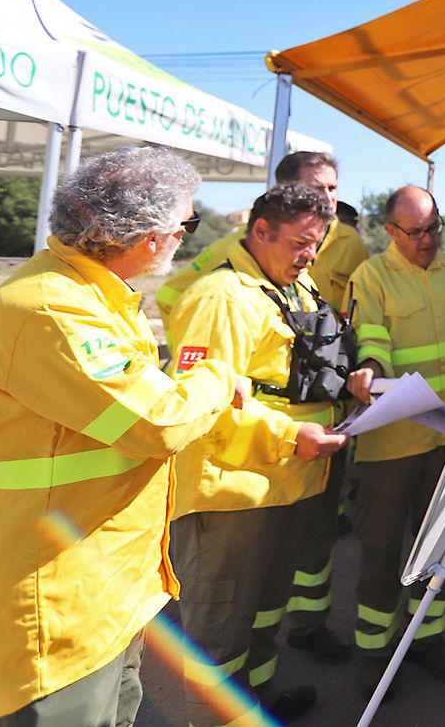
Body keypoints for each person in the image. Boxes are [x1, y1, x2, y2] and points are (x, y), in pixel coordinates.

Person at [0, 147, 245, 725]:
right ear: (149, 235)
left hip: (104, 584)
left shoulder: (90, 296)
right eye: (187, 224)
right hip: (63, 599)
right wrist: (218, 376)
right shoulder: (55, 310)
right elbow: (156, 424)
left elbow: (13, 437)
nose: (185, 237)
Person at [156, 151, 366, 664]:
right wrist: (293, 437)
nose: (309, 257)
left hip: (283, 480)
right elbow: (198, 409)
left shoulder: (294, 285)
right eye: (299, 244)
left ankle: (262, 699)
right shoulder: (221, 299)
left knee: (266, 612)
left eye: (315, 245)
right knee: (221, 631)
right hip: (230, 495)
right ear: (262, 231)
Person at [344, 185, 445, 696]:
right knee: (381, 551)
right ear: (391, 231)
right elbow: (368, 337)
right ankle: (374, 656)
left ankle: (426, 641)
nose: (427, 239)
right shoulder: (370, 276)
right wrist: (370, 368)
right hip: (391, 445)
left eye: (434, 227)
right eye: (415, 231)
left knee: (437, 549)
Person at [157, 151, 368, 317]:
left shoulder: (352, 243)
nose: (327, 197)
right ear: (287, 190)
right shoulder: (243, 244)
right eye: (316, 188)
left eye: (332, 188)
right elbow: (169, 296)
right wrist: (192, 346)